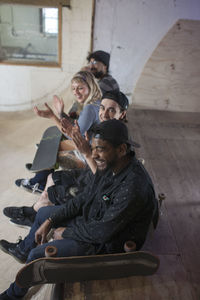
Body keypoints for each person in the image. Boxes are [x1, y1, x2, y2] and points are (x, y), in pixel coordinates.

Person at [0, 119, 158, 300]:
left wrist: (66, 232)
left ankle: (13, 295)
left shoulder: (133, 186)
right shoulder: (110, 163)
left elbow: (102, 233)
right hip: (95, 222)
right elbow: (83, 198)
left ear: (121, 149)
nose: (94, 154)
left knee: (37, 255)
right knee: (43, 213)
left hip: (109, 242)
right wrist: (51, 221)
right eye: (93, 147)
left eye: (100, 148)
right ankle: (23, 250)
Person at [4, 90, 132, 227]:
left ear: (122, 114)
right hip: (89, 173)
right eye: (102, 108)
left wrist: (86, 153)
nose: (104, 114)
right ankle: (35, 207)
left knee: (52, 186)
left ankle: (35, 214)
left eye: (111, 110)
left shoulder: (116, 141)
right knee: (51, 177)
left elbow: (105, 183)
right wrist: (58, 118)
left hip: (96, 187)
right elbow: (79, 140)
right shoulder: (105, 129)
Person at [15, 70, 102, 193]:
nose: (76, 92)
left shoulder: (90, 108)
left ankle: (40, 175)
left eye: (80, 88)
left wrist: (52, 116)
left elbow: (74, 136)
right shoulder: (96, 103)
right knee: (53, 140)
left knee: (51, 145)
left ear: (90, 87)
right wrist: (61, 113)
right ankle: (41, 172)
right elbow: (76, 127)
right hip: (93, 148)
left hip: (90, 157)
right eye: (73, 89)